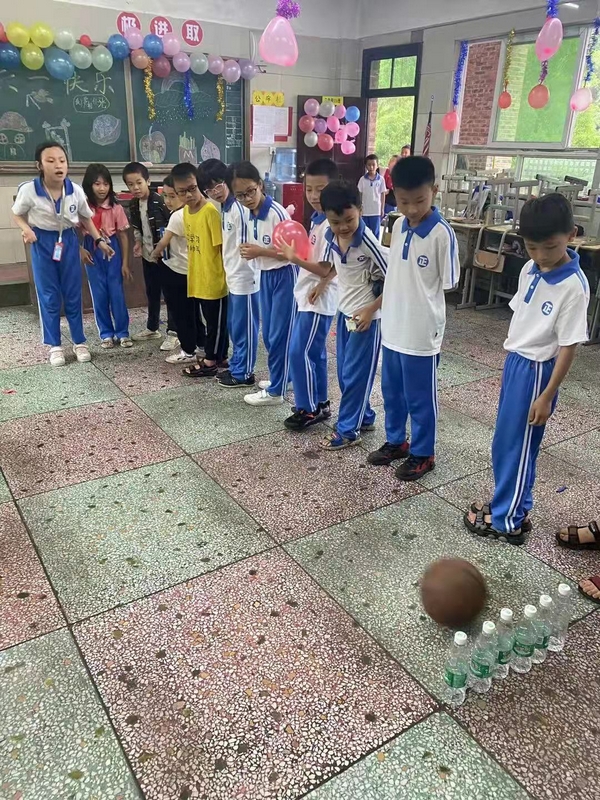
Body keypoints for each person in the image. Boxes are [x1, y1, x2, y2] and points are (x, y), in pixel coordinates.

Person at [465, 193, 589, 544]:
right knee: (506, 442)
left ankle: (508, 520)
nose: (541, 256)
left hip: (538, 372)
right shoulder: (529, 268)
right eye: (532, 248)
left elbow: (568, 347)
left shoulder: (573, 286)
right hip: (517, 364)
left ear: (571, 235)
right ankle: (511, 504)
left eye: (550, 247)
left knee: (518, 447)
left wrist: (547, 395)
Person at [368, 156, 460, 481]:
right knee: (392, 392)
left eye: (419, 200)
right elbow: (396, 274)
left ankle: (423, 453)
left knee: (420, 398)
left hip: (421, 333)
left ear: (434, 190)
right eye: (404, 201)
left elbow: (448, 283)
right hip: (394, 327)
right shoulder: (397, 225)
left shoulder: (442, 234)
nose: (411, 208)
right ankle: (397, 441)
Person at [12, 142, 113, 367]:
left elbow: (86, 218)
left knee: (73, 293)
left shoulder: (74, 190)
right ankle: (55, 345)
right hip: (42, 241)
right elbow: (17, 214)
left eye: (62, 160)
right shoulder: (29, 190)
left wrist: (99, 240)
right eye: (51, 161)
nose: (58, 165)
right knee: (48, 294)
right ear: (39, 165)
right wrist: (26, 229)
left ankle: (79, 341)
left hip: (67, 240)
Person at [316, 180, 387, 450]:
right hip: (345, 313)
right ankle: (364, 415)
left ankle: (348, 430)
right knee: (346, 373)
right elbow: (339, 265)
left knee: (356, 375)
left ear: (360, 210)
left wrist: (371, 309)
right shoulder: (331, 236)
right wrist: (323, 282)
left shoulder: (367, 241)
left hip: (367, 318)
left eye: (349, 220)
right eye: (336, 222)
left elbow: (396, 278)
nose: (343, 227)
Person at [275, 158, 339, 430]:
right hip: (309, 296)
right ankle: (320, 403)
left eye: (320, 189)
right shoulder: (318, 219)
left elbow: (326, 267)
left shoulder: (331, 223)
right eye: (309, 189)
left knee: (298, 351)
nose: (313, 196)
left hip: (318, 301)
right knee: (314, 353)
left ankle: (308, 407)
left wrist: (294, 258)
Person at [228, 161, 297, 407]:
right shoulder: (247, 213)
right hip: (265, 276)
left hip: (284, 276)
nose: (247, 199)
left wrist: (260, 251)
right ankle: (285, 377)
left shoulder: (277, 213)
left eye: (250, 191)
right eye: (240, 195)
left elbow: (292, 253)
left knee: (279, 335)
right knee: (268, 333)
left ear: (260, 185)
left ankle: (277, 391)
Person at [197, 159, 260, 388]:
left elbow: (247, 247)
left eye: (218, 185)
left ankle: (244, 373)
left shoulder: (239, 209)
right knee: (236, 327)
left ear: (227, 182)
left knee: (245, 328)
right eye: (209, 190)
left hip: (246, 278)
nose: (215, 192)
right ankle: (237, 366)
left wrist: (244, 274)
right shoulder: (225, 207)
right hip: (233, 277)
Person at [169, 162, 228, 378]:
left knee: (216, 324)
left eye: (192, 189)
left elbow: (221, 248)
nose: (188, 195)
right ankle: (220, 356)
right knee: (210, 320)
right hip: (198, 278)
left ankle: (211, 360)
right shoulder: (185, 211)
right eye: (182, 192)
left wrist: (224, 278)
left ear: (199, 186)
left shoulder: (210, 211)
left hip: (215, 279)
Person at [151, 175, 206, 365]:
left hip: (175, 271)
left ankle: (188, 350)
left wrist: (154, 253)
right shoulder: (192, 213)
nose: (167, 201)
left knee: (181, 315)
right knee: (194, 314)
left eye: (173, 196)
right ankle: (201, 346)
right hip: (191, 270)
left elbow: (163, 243)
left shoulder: (177, 216)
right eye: (165, 196)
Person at [122, 162, 177, 350]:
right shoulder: (133, 204)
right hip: (148, 256)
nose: (135, 188)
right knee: (152, 292)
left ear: (148, 181)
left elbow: (172, 226)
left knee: (169, 294)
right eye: (131, 184)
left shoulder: (160, 201)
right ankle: (152, 328)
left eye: (139, 182)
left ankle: (173, 332)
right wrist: (138, 243)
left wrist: (163, 248)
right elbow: (137, 228)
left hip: (165, 257)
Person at [81, 163, 132, 349]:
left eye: (106, 184)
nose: (102, 188)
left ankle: (123, 332)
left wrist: (125, 262)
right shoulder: (84, 207)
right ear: (89, 185)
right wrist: (80, 249)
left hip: (113, 249)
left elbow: (123, 236)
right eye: (97, 184)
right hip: (91, 249)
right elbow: (74, 230)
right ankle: (106, 333)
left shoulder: (116, 208)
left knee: (116, 292)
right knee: (99, 293)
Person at [357, 154, 387, 238]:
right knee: (364, 232)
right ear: (366, 166)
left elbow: (383, 194)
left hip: (376, 210)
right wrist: (359, 208)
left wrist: (382, 209)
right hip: (365, 211)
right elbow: (359, 194)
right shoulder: (362, 179)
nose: (371, 167)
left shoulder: (381, 179)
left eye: (373, 164)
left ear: (377, 165)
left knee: (375, 232)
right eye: (369, 165)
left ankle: (375, 245)